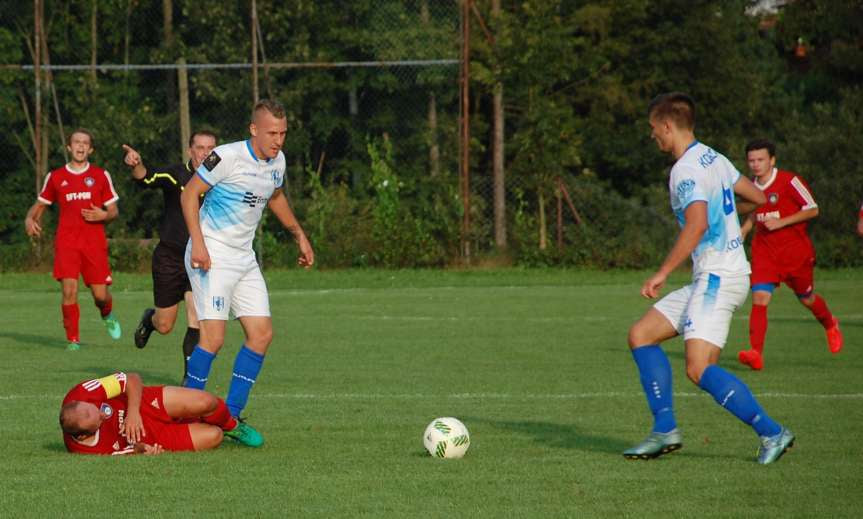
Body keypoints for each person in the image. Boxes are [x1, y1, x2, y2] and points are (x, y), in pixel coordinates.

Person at [624, 93, 794, 465]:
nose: (653, 136)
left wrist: (663, 272)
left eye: (654, 130)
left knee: (699, 367)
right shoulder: (712, 156)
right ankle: (664, 428)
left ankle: (772, 432)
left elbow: (698, 224)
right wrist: (728, 216)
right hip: (719, 274)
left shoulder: (684, 170)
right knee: (642, 335)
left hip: (717, 277)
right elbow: (758, 197)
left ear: (668, 126)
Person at [180, 99, 315, 447]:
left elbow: (276, 197)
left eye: (283, 133)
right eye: (272, 132)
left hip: (243, 257)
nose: (279, 140)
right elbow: (190, 194)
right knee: (213, 339)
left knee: (261, 335)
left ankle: (232, 417)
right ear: (254, 129)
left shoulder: (277, 161)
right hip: (211, 253)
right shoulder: (226, 157)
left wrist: (298, 234)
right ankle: (183, 417)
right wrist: (198, 244)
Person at [737, 139, 842, 371]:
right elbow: (756, 212)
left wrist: (782, 222)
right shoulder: (750, 187)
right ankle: (756, 353)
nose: (755, 164)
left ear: (772, 160)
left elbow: (813, 209)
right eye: (751, 160)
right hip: (765, 251)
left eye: (760, 159)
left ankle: (830, 323)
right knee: (760, 298)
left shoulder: (789, 181)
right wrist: (745, 230)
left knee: (807, 298)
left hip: (795, 253)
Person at [122, 131, 218, 381]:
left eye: (211, 148)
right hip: (170, 257)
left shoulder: (222, 179)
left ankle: (190, 382)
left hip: (199, 258)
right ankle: (149, 320)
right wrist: (137, 163)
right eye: (200, 147)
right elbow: (146, 178)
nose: (205, 153)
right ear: (190, 150)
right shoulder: (175, 175)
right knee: (165, 325)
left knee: (196, 317)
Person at [24, 129, 122, 351]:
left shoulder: (100, 175)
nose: (80, 146)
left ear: (91, 149)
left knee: (100, 295)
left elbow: (114, 210)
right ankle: (73, 340)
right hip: (67, 242)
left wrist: (104, 215)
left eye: (85, 143)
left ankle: (107, 313)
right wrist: (29, 219)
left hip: (94, 243)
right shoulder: (56, 176)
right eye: (76, 142)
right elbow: (39, 206)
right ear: (69, 147)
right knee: (69, 290)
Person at [59, 371, 257, 455]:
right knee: (215, 436)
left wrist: (133, 413)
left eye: (98, 410)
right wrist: (143, 449)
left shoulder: (82, 393)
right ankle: (200, 422)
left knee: (207, 402)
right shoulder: (86, 450)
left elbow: (132, 379)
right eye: (99, 421)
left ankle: (234, 426)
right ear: (84, 435)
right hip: (154, 437)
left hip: (144, 404)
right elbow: (124, 452)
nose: (103, 415)